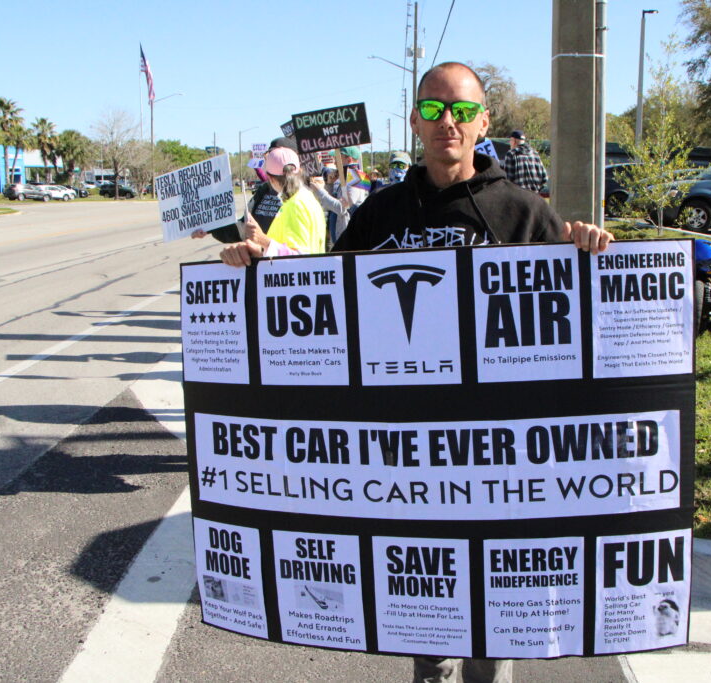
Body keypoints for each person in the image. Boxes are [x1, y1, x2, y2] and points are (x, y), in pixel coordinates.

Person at [333, 61, 611, 683]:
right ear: (414, 120)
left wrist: (590, 255)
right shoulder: (378, 215)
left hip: (499, 460)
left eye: (461, 110)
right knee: (429, 629)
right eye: (432, 110)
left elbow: (576, 332)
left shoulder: (524, 215)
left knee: (492, 626)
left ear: (484, 120)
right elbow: (325, 306)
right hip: (407, 458)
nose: (447, 123)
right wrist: (258, 262)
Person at [219, 146, 326, 266]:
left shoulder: (296, 204)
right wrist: (260, 250)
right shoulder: (306, 199)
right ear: (300, 171)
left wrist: (263, 240)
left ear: (269, 178)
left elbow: (299, 261)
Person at [192, 137, 293, 243]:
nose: (273, 161)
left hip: (282, 258)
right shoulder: (264, 190)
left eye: (279, 156)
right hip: (256, 258)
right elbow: (241, 229)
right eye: (270, 155)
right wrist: (210, 228)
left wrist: (265, 244)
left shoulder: (302, 196)